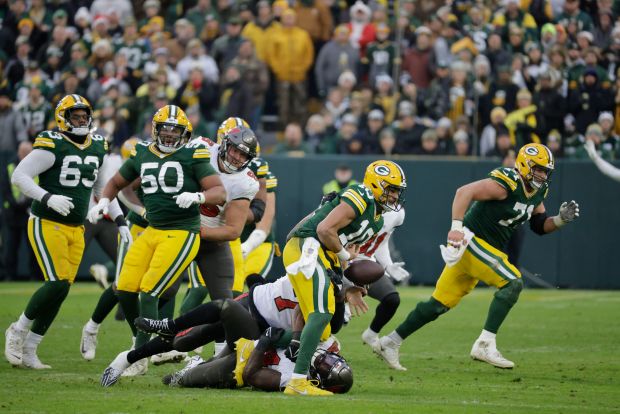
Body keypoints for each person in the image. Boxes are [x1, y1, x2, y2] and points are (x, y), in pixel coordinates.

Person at [374, 144, 580, 370]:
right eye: (538, 169)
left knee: (438, 305)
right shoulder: (507, 183)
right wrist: (456, 227)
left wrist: (560, 220)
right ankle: (485, 343)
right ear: (524, 164)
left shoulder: (538, 191)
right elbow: (464, 192)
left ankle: (390, 342)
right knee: (512, 282)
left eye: (545, 171)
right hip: (470, 241)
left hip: (482, 250)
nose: (542, 175)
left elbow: (539, 225)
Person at [86, 105, 226, 375]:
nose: (170, 135)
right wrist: (103, 201)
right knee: (125, 288)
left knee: (149, 290)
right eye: (165, 129)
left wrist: (199, 197)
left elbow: (218, 192)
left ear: (185, 134)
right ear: (155, 130)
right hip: (152, 229)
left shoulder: (193, 154)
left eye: (176, 131)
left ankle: (138, 357)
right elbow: (116, 183)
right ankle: (140, 341)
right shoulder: (142, 152)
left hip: (182, 232)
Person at [4, 95, 129, 369]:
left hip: (76, 226)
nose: (82, 120)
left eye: (85, 116)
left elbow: (101, 189)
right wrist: (48, 197)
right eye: (76, 116)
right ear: (63, 118)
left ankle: (31, 349)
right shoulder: (53, 144)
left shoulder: (97, 146)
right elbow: (20, 177)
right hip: (46, 221)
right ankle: (17, 330)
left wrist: (120, 219)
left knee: (61, 289)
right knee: (58, 282)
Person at [282, 160, 406, 395]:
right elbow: (323, 229)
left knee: (324, 323)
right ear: (376, 185)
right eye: (391, 189)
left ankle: (288, 360)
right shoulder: (360, 195)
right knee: (321, 314)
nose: (394, 196)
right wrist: (342, 253)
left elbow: (347, 252)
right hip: (308, 248)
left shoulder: (377, 219)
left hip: (323, 254)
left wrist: (350, 284)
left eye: (397, 191)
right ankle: (297, 382)